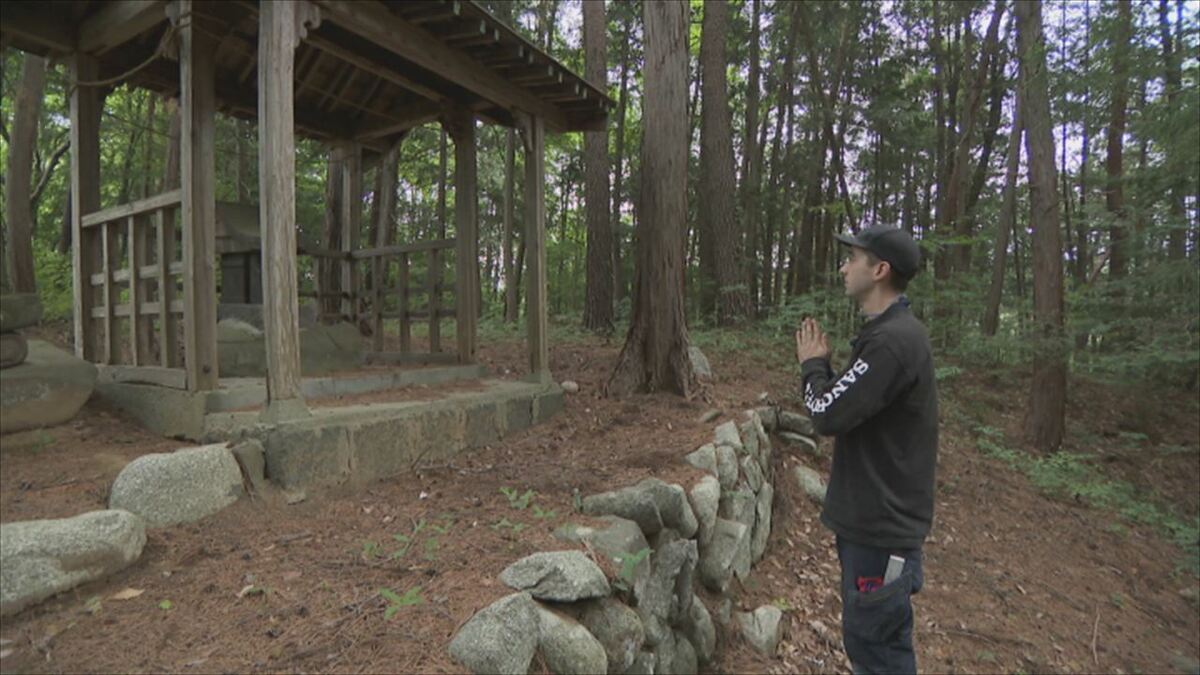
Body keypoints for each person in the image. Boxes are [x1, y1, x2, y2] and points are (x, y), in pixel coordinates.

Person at [794, 224, 938, 675]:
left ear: (879, 270)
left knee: (879, 656)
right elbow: (852, 405)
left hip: (881, 533)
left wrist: (812, 366)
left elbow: (826, 413)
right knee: (870, 647)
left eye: (852, 258)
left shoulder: (892, 344)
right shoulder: (889, 336)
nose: (843, 267)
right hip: (876, 527)